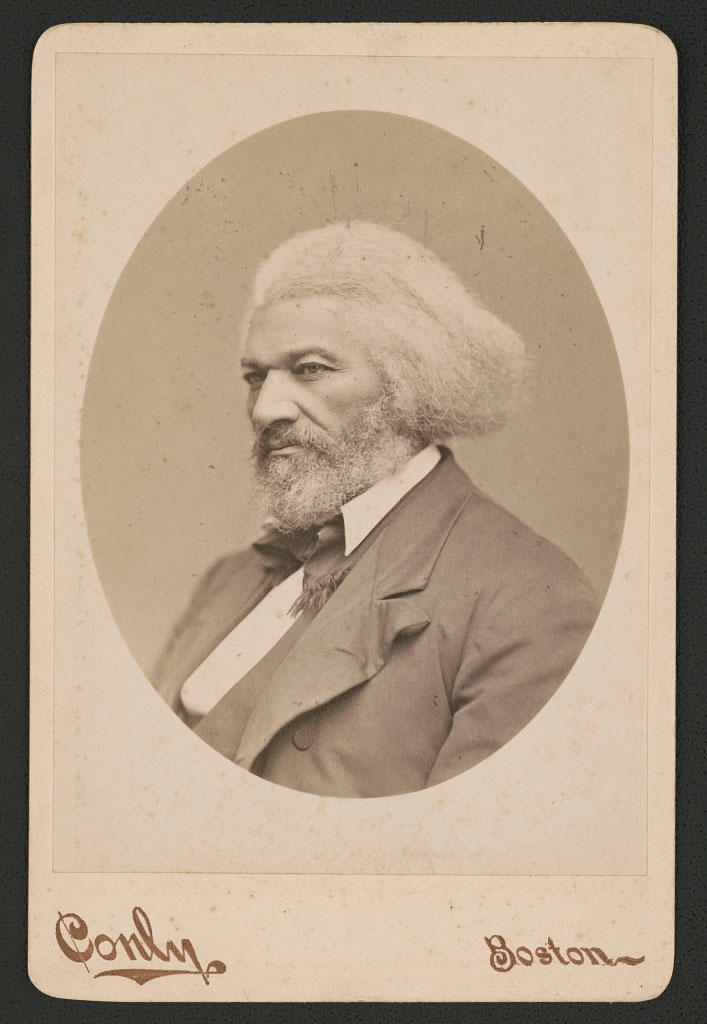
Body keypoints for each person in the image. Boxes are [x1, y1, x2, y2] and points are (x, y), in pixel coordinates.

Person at [151, 220, 597, 798]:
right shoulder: (227, 581)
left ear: (407, 382)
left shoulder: (528, 601)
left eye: (309, 369)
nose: (265, 410)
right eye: (254, 377)